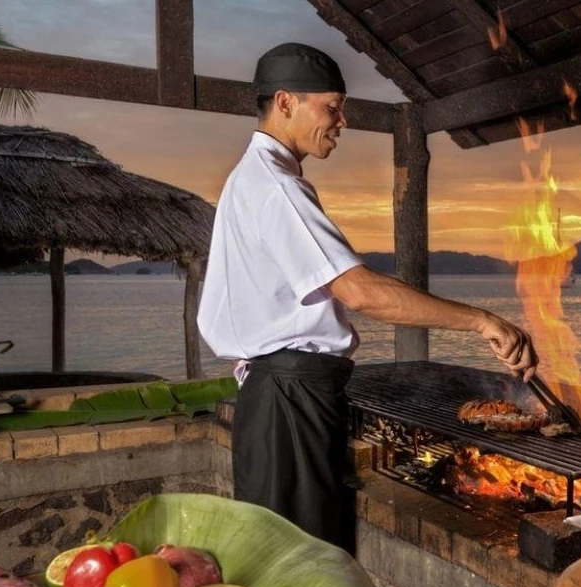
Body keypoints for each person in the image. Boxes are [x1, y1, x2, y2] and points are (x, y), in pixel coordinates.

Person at [197, 43, 539, 555]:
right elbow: (358, 290)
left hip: (284, 395)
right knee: (306, 566)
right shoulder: (273, 186)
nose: (342, 122)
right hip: (289, 400)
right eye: (331, 108)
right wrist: (481, 321)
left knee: (291, 561)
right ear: (286, 102)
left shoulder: (260, 179)